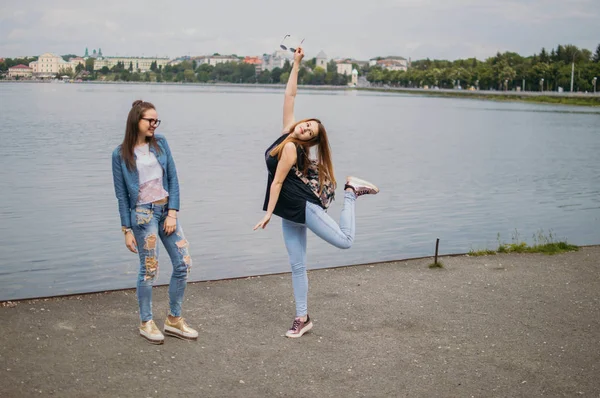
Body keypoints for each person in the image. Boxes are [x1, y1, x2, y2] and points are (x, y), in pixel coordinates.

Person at [254, 47, 379, 338]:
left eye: (310, 133)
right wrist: (296, 63)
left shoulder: (289, 147)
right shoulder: (287, 131)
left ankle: (351, 191)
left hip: (303, 208)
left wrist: (268, 214)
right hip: (290, 211)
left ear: (308, 141)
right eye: (307, 125)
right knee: (297, 266)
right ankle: (302, 318)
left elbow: (276, 184)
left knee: (345, 241)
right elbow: (290, 97)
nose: (306, 129)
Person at [112, 100, 197, 344]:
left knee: (183, 263)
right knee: (149, 269)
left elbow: (173, 178)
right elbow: (121, 195)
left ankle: (173, 319)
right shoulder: (120, 154)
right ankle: (146, 322)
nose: (154, 124)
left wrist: (173, 212)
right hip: (142, 216)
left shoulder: (161, 144)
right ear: (135, 121)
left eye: (156, 120)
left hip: (165, 211)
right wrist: (126, 229)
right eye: (149, 120)